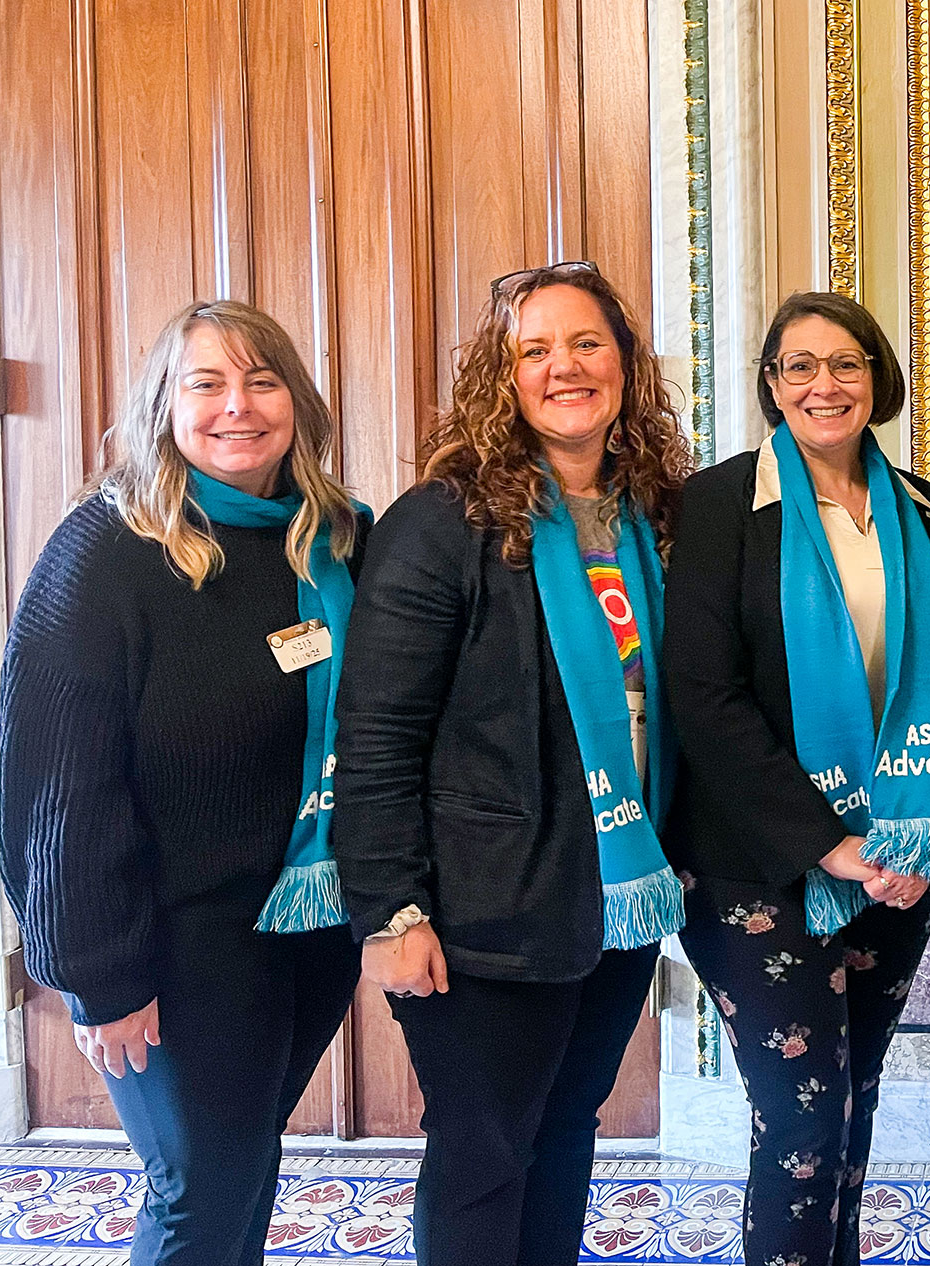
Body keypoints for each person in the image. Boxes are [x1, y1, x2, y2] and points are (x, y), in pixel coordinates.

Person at [332, 262, 694, 1266]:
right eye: (535, 350)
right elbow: (374, 736)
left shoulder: (653, 515)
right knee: (485, 1154)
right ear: (504, 378)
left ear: (624, 363)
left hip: (614, 897)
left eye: (586, 344)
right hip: (483, 912)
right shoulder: (441, 524)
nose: (564, 367)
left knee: (567, 1130)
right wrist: (393, 914)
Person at [0, 300, 367, 1264]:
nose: (237, 407)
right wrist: (99, 975)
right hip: (170, 944)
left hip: (305, 926)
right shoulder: (106, 553)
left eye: (262, 380)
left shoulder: (334, 541)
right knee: (200, 1194)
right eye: (207, 383)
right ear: (164, 404)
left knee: (242, 1175)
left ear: (300, 402)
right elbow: (51, 785)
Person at [665, 291, 930, 1266]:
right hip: (759, 865)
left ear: (877, 378)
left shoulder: (926, 511)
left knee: (851, 1102)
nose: (822, 384)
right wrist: (829, 842)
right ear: (770, 385)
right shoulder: (715, 506)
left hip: (897, 864)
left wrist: (922, 840)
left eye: (845, 363)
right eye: (798, 365)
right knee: (799, 1123)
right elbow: (701, 697)